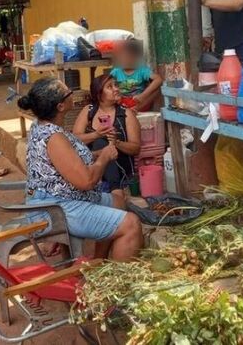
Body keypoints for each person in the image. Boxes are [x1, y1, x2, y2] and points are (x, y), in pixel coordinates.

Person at [19, 78, 143, 261]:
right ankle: (112, 284)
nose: (73, 93)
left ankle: (97, 261)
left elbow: (67, 161)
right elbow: (86, 181)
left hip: (63, 198)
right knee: (131, 224)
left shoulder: (42, 126)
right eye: (69, 92)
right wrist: (104, 157)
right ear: (61, 106)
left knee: (118, 202)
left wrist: (98, 153)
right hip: (56, 208)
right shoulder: (54, 137)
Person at [73, 74, 140, 209]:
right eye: (110, 87)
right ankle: (116, 193)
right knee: (100, 143)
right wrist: (96, 134)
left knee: (103, 144)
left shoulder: (126, 114)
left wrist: (116, 142)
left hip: (121, 167)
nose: (116, 89)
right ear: (99, 94)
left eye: (116, 85)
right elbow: (74, 140)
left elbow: (136, 148)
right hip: (92, 165)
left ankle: (115, 189)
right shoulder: (89, 111)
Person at [110, 38, 163, 112]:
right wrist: (117, 96)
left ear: (135, 58)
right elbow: (107, 84)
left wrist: (143, 95)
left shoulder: (141, 70)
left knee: (158, 89)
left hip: (139, 102)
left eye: (128, 57)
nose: (124, 60)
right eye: (122, 58)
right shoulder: (116, 72)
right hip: (121, 102)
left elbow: (159, 79)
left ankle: (135, 109)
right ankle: (123, 109)